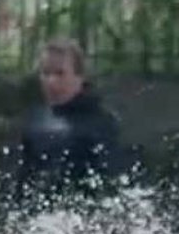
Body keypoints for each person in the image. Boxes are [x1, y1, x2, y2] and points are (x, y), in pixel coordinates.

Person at [14, 38, 123, 201]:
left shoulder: (102, 123)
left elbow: (112, 182)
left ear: (79, 77)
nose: (51, 81)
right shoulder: (35, 122)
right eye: (46, 73)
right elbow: (21, 182)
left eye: (60, 74)